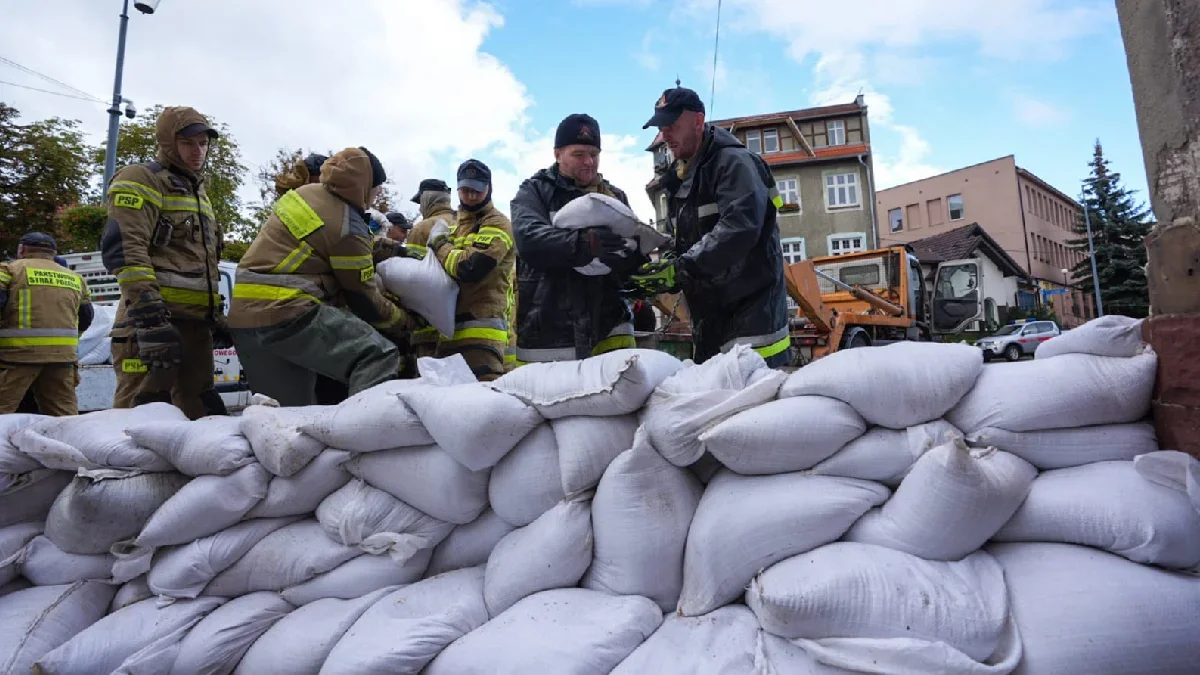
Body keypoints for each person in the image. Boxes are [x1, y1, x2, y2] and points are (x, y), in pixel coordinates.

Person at [227, 147, 414, 406]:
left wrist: (394, 250)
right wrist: (403, 323)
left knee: (288, 415)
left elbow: (328, 242)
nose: (377, 195)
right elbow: (363, 296)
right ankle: (361, 434)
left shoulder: (306, 195)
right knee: (377, 354)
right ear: (365, 185)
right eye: (378, 188)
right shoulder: (349, 225)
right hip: (289, 313)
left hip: (244, 316)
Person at [631, 86, 791, 367]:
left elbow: (739, 229)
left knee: (753, 406)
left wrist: (680, 269)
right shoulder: (682, 178)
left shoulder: (733, 163)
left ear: (697, 120)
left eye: (672, 124)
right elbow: (683, 243)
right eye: (660, 126)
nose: (665, 134)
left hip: (752, 322)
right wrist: (666, 266)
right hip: (712, 321)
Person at [101, 106, 227, 419]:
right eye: (188, 143)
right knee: (137, 419)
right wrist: (150, 320)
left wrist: (215, 315)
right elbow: (126, 249)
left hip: (196, 328)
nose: (198, 151)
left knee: (201, 419)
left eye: (203, 143)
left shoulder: (199, 195)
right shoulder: (142, 178)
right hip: (152, 325)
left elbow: (205, 261)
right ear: (168, 143)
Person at [510, 113, 645, 363]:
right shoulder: (534, 192)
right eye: (579, 154)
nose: (589, 162)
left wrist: (634, 257)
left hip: (612, 326)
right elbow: (528, 239)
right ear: (557, 154)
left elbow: (634, 253)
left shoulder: (616, 197)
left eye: (594, 154)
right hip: (550, 330)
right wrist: (585, 243)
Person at [272, 151, 352, 404]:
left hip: (297, 311)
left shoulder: (288, 206)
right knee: (322, 394)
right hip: (306, 312)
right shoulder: (304, 209)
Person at [426, 159, 515, 381]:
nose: (471, 195)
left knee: (484, 402)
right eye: (465, 190)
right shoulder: (455, 227)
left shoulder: (497, 223)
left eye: (477, 190)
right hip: (449, 331)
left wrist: (439, 245)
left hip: (483, 333)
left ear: (489, 188)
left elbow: (470, 267)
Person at [0, 233, 93, 415]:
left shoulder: (8, 270)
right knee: (63, 417)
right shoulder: (75, 278)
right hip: (62, 359)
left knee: (3, 411)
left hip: (16, 358)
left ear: (21, 249)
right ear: (54, 252)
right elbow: (86, 317)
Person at [406, 178, 456, 358]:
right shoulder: (465, 223)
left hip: (428, 327)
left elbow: (410, 275)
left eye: (420, 203)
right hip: (461, 323)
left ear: (427, 200)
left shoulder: (422, 228)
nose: (420, 209)